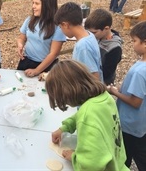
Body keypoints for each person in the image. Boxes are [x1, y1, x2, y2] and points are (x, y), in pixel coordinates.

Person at [47, 60, 129, 171]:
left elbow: (91, 166)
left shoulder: (87, 115)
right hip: (119, 165)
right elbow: (83, 115)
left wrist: (74, 157)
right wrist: (65, 127)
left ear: (66, 93)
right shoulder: (104, 97)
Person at [107, 21, 146, 170]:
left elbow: (135, 102)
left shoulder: (140, 72)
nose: (133, 45)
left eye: (135, 41)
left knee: (125, 156)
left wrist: (114, 91)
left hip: (130, 125)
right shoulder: (141, 64)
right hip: (141, 124)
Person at [16, 0, 66, 77]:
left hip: (46, 66)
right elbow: (21, 38)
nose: (33, 6)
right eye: (33, 3)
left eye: (37, 3)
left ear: (47, 5)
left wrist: (36, 70)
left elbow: (53, 53)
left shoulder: (58, 27)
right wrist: (20, 44)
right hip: (26, 61)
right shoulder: (29, 20)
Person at [54, 2, 103, 81]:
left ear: (65, 25)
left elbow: (94, 76)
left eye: (60, 27)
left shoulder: (83, 46)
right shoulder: (89, 35)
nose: (61, 30)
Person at [85, 9, 123, 85]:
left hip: (101, 83)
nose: (90, 35)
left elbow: (107, 73)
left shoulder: (115, 48)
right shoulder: (97, 37)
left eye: (94, 32)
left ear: (106, 28)